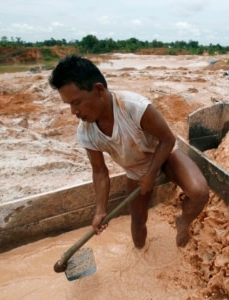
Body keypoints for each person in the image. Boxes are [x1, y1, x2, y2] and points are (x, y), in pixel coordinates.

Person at [49, 55, 209, 248]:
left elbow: (168, 139)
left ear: (99, 90)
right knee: (138, 225)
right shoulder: (86, 131)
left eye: (76, 102)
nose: (73, 111)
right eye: (69, 105)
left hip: (165, 155)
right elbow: (99, 171)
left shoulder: (134, 107)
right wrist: (100, 210)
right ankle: (141, 256)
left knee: (200, 193)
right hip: (136, 170)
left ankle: (183, 222)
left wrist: (151, 175)